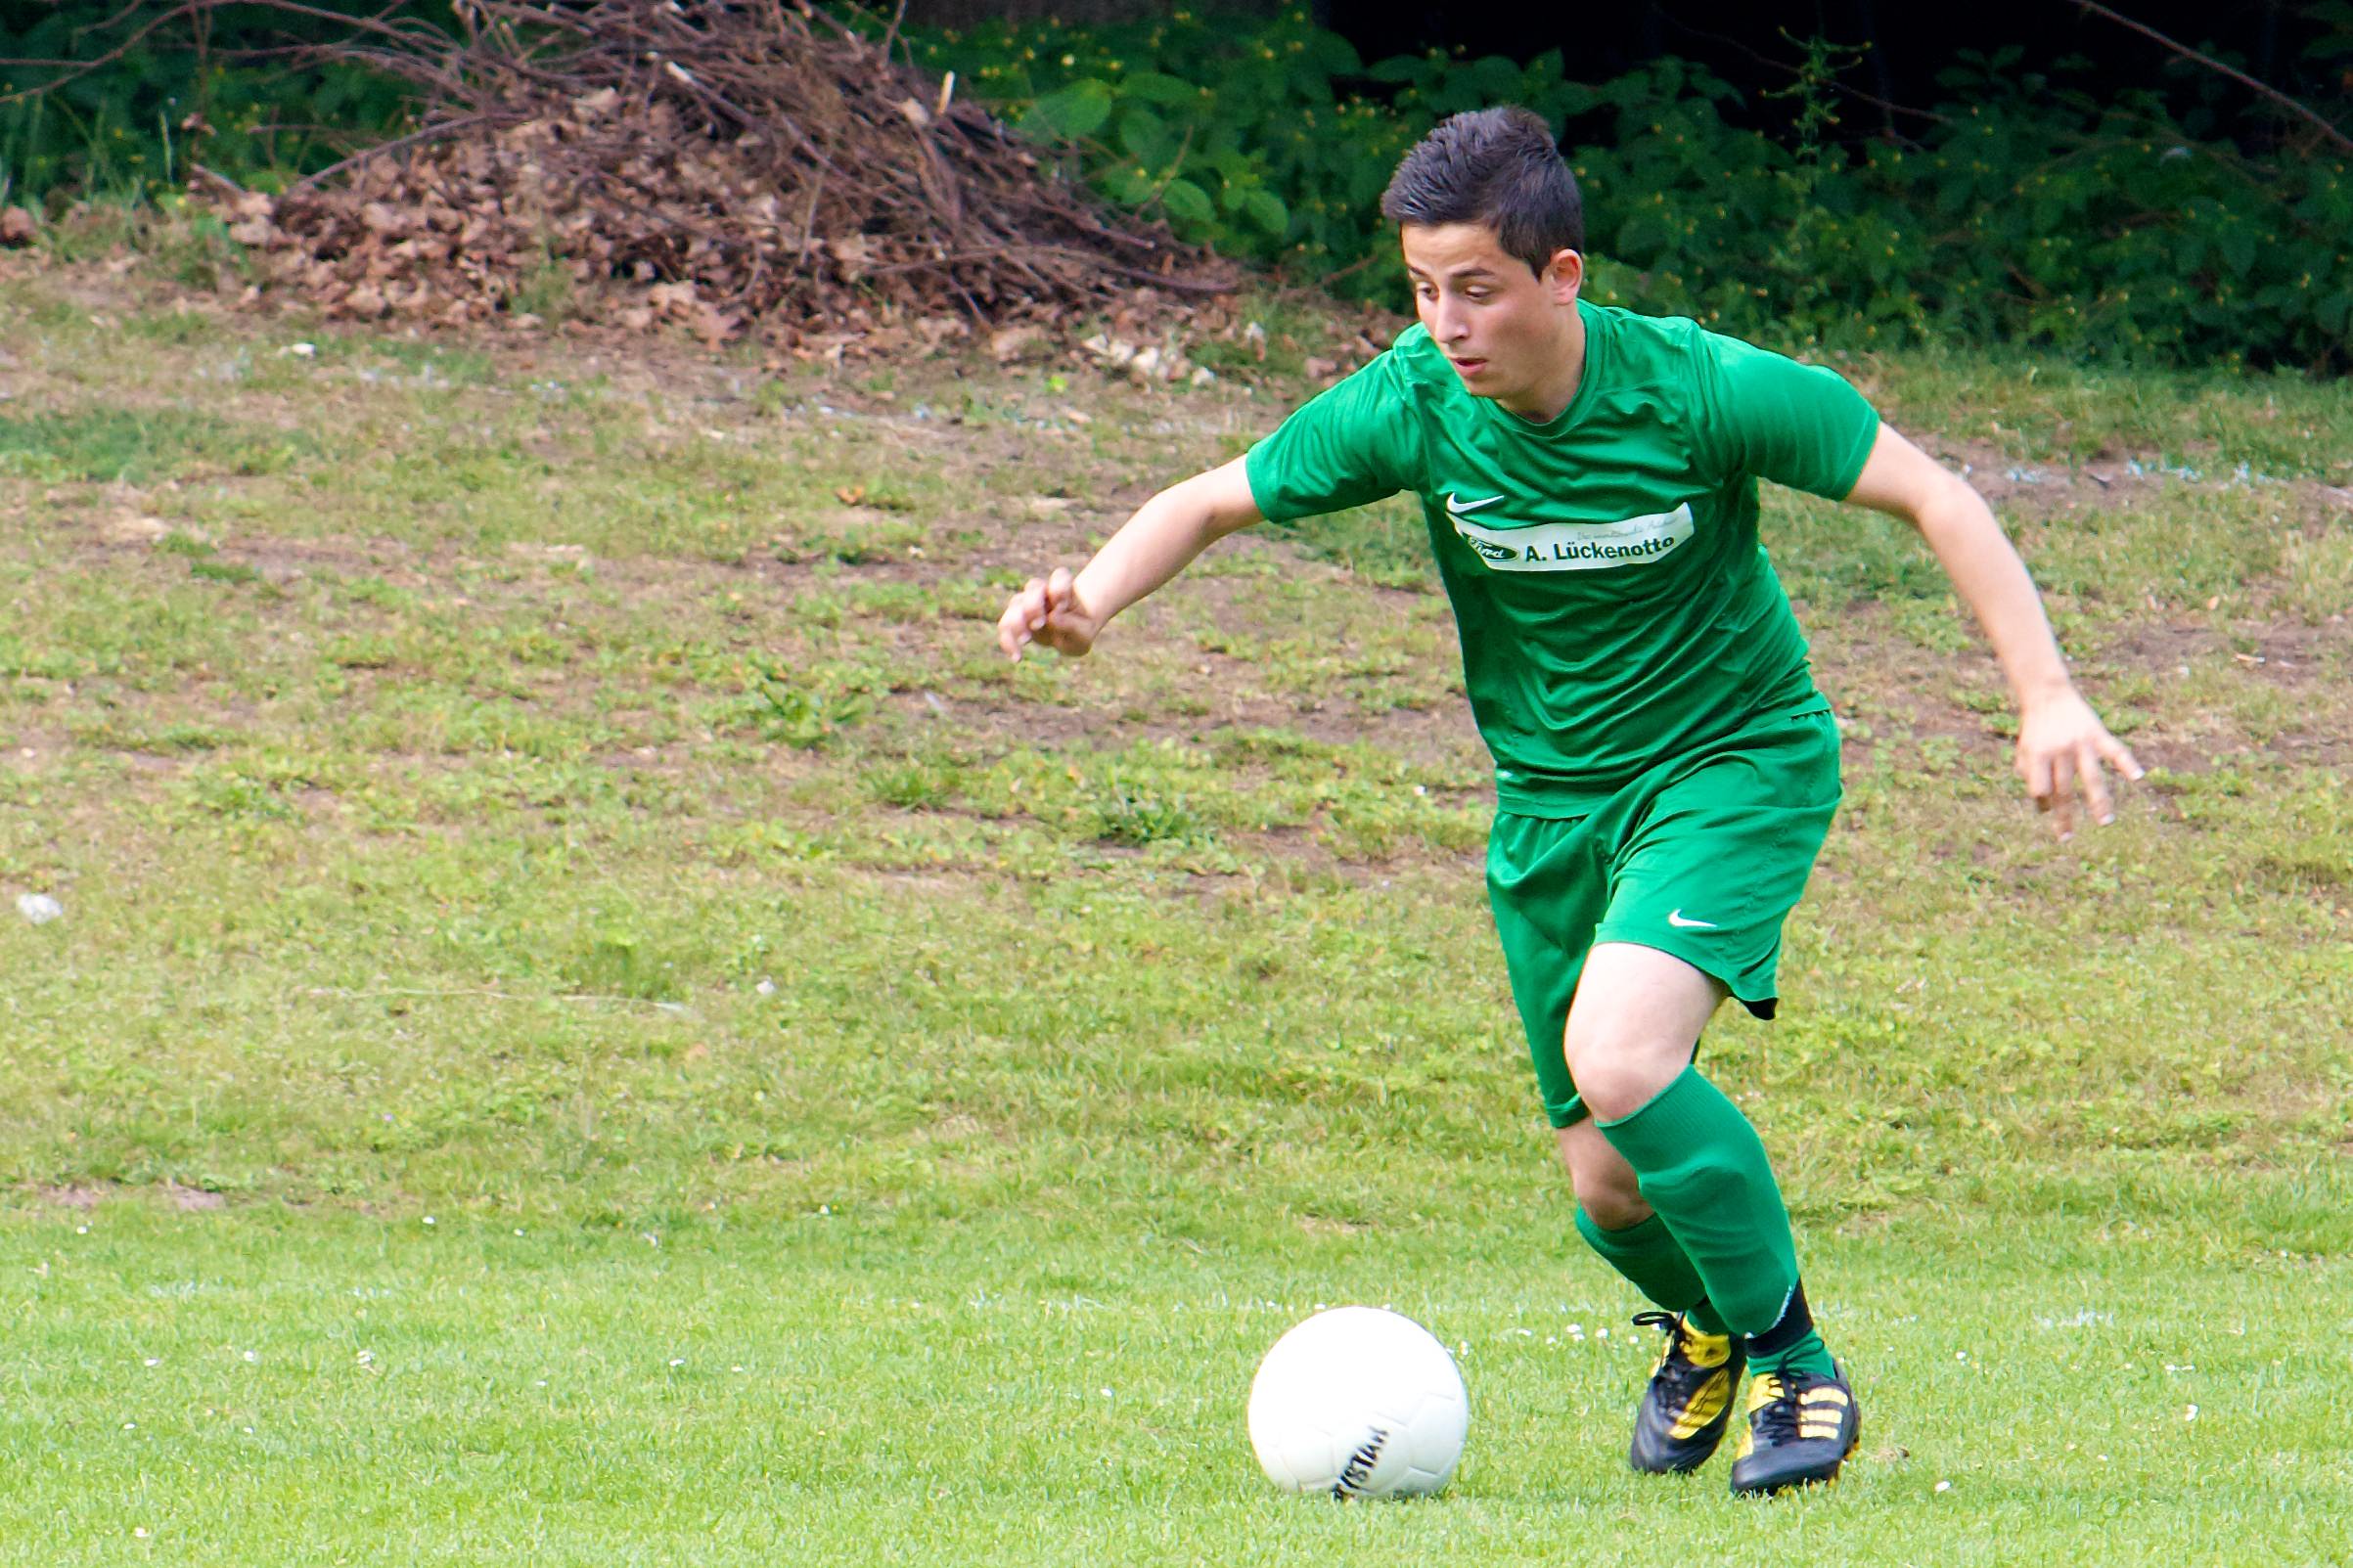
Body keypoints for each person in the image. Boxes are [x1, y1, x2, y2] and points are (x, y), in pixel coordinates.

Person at [993, 105, 2142, 1496]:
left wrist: (2044, 693)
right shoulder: (1413, 402)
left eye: (1476, 288)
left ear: (1562, 276)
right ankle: (1706, 1324)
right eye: (1423, 289)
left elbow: (1935, 497)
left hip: (1730, 762)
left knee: (1622, 1056)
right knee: (1607, 1185)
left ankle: (1797, 1368)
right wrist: (1091, 600)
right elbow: (1214, 500)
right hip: (1549, 810)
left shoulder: (1698, 389)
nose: (1446, 324)